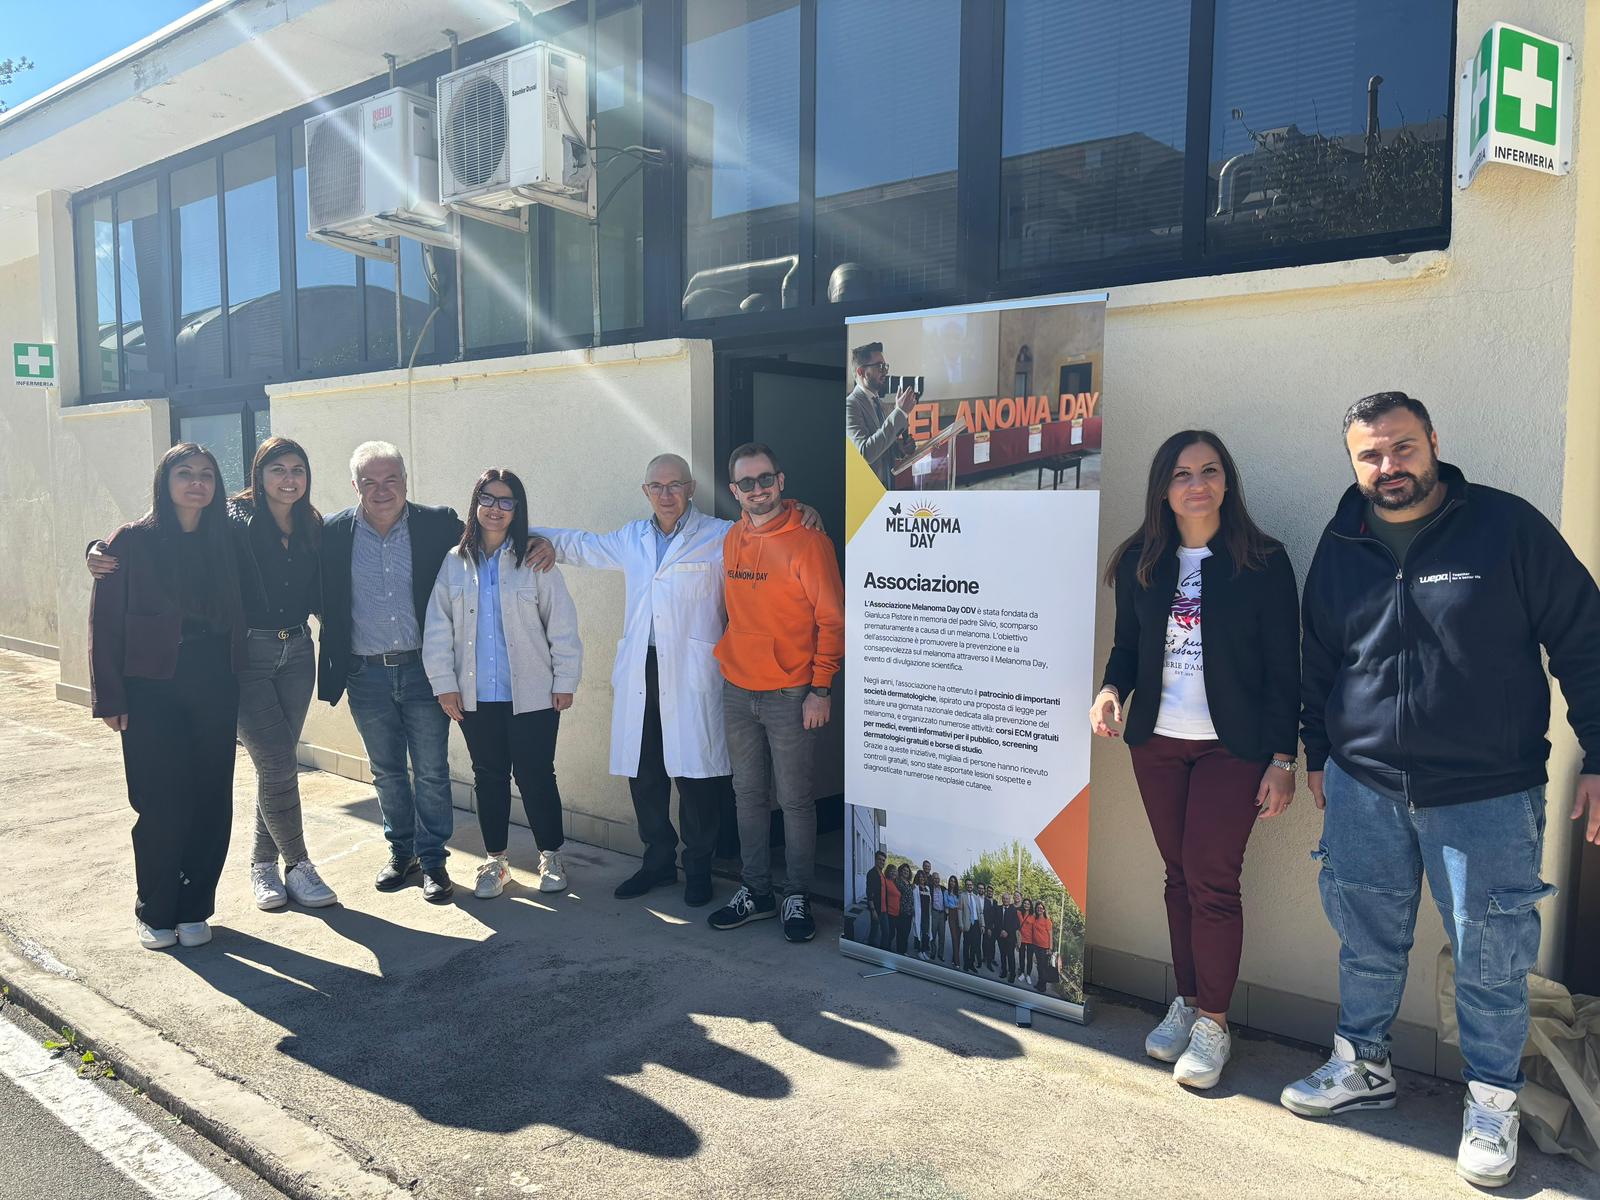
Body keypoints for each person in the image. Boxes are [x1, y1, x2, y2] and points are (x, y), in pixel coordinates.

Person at [1281, 393, 1600, 1189]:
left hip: (1486, 792)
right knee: (1366, 939)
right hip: (1363, 783)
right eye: (1370, 455)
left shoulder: (1505, 526)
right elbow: (1320, 655)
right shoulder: (1342, 540)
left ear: (1432, 442)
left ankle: (1492, 1101)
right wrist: (1319, 751)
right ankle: (1364, 1066)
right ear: (1354, 463)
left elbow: (1585, 637)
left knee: (1491, 956)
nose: (1388, 466)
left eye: (1402, 447)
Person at [1090, 428, 1299, 1091]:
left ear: (1227, 482)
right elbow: (1128, 648)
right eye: (1181, 474)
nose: (1196, 484)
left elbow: (1284, 669)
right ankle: (1186, 1001)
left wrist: (1283, 758)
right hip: (1157, 743)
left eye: (1209, 471)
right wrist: (1110, 690)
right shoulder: (1141, 560)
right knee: (1178, 876)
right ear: (1163, 489)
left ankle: (1213, 1023)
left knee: (1211, 879)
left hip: (1231, 747)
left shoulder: (1263, 562)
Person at [531, 453, 824, 907]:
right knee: (645, 770)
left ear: (691, 488)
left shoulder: (721, 535)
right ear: (645, 491)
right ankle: (658, 862)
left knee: (695, 776)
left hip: (692, 671)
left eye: (675, 485)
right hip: (641, 669)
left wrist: (801, 509)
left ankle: (699, 867)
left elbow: (765, 524)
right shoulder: (631, 538)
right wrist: (522, 533)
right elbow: (582, 544)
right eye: (657, 486)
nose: (666, 495)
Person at [86, 437, 339, 912]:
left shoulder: (310, 525)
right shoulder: (232, 520)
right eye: (277, 469)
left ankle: (260, 866)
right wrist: (96, 548)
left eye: (298, 469)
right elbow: (159, 532)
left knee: (272, 767)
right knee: (274, 764)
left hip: (285, 655)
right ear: (257, 475)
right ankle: (297, 864)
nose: (288, 479)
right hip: (238, 657)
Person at [89, 444, 246, 950]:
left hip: (215, 681)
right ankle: (155, 909)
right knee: (160, 801)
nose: (197, 482)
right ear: (165, 480)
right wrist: (110, 696)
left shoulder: (226, 537)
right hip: (151, 686)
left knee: (211, 798)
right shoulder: (132, 540)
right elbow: (105, 621)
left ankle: (195, 906)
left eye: (206, 475)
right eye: (185, 473)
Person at [319, 442, 473, 903]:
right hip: (364, 674)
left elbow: (491, 536)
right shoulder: (333, 532)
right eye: (370, 482)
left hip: (425, 670)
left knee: (430, 770)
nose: (381, 490)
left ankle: (433, 860)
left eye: (390, 480)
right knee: (386, 771)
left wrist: (537, 542)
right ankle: (401, 852)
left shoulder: (437, 524)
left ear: (405, 480)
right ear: (355, 486)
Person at [706, 443, 845, 944]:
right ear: (734, 490)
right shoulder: (731, 538)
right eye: (747, 483)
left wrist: (820, 688)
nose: (758, 489)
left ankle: (797, 894)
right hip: (738, 689)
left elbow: (833, 621)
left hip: (791, 694)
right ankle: (757, 891)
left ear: (781, 481)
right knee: (747, 796)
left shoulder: (809, 542)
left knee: (795, 800)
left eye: (766, 479)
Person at [424, 470, 583, 900]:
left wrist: (565, 679)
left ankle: (551, 855)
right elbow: (438, 627)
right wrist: (444, 684)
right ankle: (496, 861)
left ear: (517, 509)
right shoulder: (455, 561)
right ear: (475, 503)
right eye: (488, 498)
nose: (496, 508)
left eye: (506, 501)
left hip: (533, 692)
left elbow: (561, 624)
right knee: (488, 776)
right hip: (476, 695)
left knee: (536, 774)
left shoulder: (533, 558)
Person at [845, 342, 916, 486]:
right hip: (868, 490)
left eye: (885, 366)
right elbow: (865, 453)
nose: (885, 372)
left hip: (887, 487)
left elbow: (882, 447)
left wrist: (901, 449)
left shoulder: (880, 404)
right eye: (879, 366)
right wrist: (900, 412)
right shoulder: (850, 405)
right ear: (861, 372)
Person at [864, 849, 890, 947]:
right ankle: (870, 949)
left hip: (884, 909)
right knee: (874, 932)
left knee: (885, 932)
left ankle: (882, 950)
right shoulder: (872, 873)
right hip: (876, 909)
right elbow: (869, 893)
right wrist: (873, 910)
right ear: (875, 860)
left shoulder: (882, 874)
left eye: (883, 860)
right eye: (879, 859)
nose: (882, 862)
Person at [1030, 904, 1055, 994]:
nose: (1039, 909)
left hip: (1044, 948)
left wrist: (1050, 948)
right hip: (1036, 946)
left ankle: (1042, 986)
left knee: (1043, 967)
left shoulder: (1047, 921)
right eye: (1038, 908)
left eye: (1041, 908)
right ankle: (1039, 983)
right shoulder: (1035, 919)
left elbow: (1050, 935)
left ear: (1044, 910)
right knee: (1039, 966)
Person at [960, 878, 983, 972]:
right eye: (967, 884)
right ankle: (966, 964)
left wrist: (982, 925)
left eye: (970, 884)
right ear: (966, 886)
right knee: (966, 945)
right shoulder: (962, 896)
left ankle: (971, 964)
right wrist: (961, 924)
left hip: (976, 924)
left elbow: (980, 912)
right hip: (967, 924)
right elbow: (959, 910)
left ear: (973, 886)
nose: (969, 886)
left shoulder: (976, 897)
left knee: (974, 946)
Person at [997, 893, 1021, 983]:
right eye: (1004, 898)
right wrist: (1001, 931)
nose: (1005, 900)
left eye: (1007, 899)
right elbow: (996, 922)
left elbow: (1016, 924)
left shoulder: (1014, 910)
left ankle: (1012, 974)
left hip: (1010, 937)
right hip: (1000, 936)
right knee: (1002, 955)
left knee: (1010, 956)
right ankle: (1004, 971)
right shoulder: (998, 909)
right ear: (1002, 899)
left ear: (1009, 900)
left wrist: (1007, 932)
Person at [893, 863, 915, 955]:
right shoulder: (897, 881)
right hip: (901, 911)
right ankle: (900, 951)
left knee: (906, 932)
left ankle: (904, 951)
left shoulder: (909, 883)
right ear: (901, 871)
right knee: (901, 932)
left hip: (909, 912)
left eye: (907, 871)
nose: (906, 872)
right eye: (904, 870)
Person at [928, 872, 947, 962]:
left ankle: (940, 954)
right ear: (932, 880)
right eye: (935, 878)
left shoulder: (943, 889)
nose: (936, 880)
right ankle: (933, 952)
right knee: (933, 934)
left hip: (942, 914)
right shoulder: (930, 888)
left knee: (942, 936)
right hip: (934, 913)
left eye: (938, 878)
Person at [944, 876, 962, 968]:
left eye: (954, 881)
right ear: (949, 882)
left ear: (956, 883)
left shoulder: (958, 893)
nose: (952, 883)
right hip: (951, 914)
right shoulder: (946, 892)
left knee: (958, 938)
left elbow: (960, 905)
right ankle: (957, 961)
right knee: (954, 938)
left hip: (959, 915)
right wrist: (954, 906)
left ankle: (954, 959)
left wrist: (957, 905)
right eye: (951, 881)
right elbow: (946, 904)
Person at [982, 884, 1000, 972]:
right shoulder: (984, 901)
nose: (990, 893)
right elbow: (985, 915)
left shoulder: (995, 902)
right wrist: (988, 928)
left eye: (991, 891)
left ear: (993, 892)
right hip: (987, 926)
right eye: (988, 891)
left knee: (992, 944)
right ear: (986, 892)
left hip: (994, 927)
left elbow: (996, 915)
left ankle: (992, 959)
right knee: (986, 943)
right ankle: (987, 961)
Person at [1018, 900, 1036, 982]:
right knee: (1021, 956)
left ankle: (1028, 975)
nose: (1026, 905)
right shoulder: (1019, 913)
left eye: (1028, 904)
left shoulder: (1033, 916)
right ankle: (1021, 973)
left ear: (1030, 906)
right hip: (1021, 938)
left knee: (1029, 958)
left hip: (1031, 940)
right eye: (1025, 903)